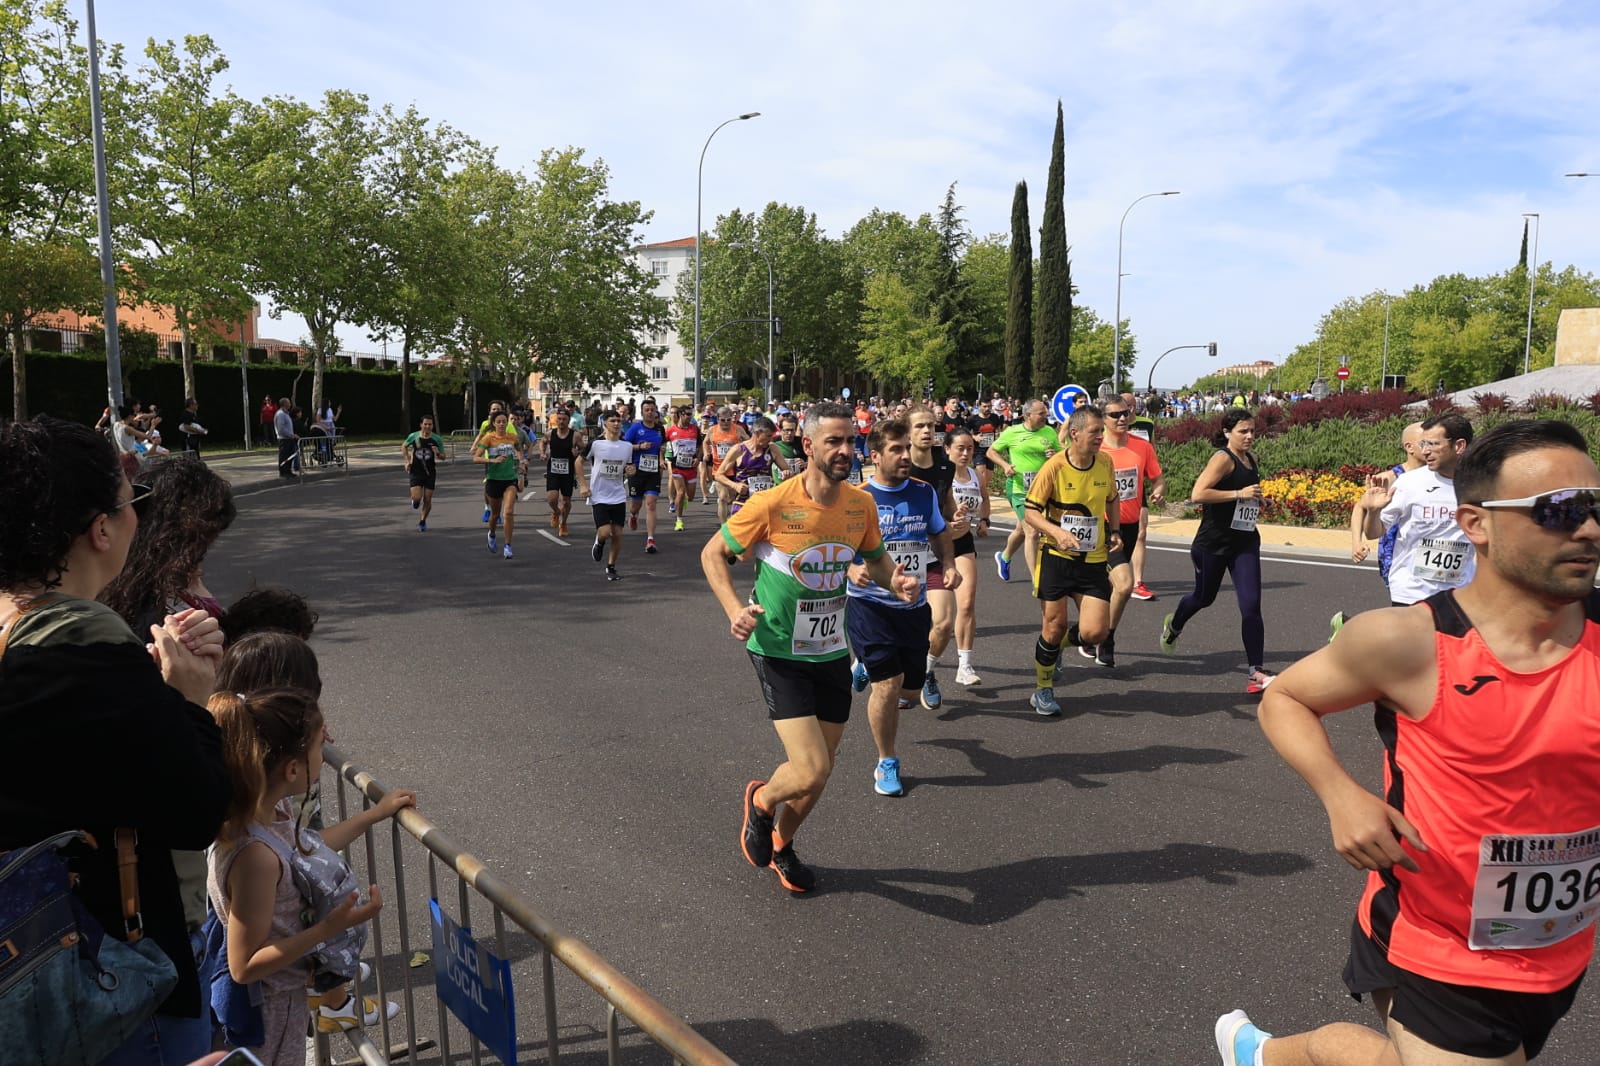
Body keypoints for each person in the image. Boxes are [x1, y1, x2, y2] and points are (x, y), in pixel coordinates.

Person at [1218, 419, 1600, 1066]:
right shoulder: (1406, 643)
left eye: (1594, 508)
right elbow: (1285, 698)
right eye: (1558, 511)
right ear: (1476, 523)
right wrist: (1342, 796)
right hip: (1431, 940)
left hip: (1558, 949)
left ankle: (1268, 1056)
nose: (1588, 529)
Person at [0, 416, 230, 1064]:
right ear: (101, 529)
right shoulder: (88, 650)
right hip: (106, 980)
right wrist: (187, 699)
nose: (139, 519)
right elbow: (196, 810)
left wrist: (147, 696)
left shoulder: (16, 637)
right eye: (134, 503)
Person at [703, 401, 916, 893]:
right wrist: (734, 610)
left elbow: (876, 559)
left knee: (820, 772)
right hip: (778, 649)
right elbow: (713, 553)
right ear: (808, 446)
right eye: (833, 441)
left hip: (831, 650)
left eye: (850, 441)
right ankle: (761, 801)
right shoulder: (773, 503)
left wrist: (896, 581)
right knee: (811, 767)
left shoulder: (860, 505)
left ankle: (782, 844)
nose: (845, 450)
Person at [206, 688, 413, 1063]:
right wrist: (328, 928)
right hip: (267, 1016)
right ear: (292, 770)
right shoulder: (255, 856)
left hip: (285, 999)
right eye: (318, 746)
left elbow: (305, 849)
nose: (324, 754)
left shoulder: (271, 811)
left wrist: (373, 815)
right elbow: (244, 965)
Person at [848, 418, 958, 796]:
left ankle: (865, 665)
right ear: (875, 456)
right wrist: (851, 568)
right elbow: (833, 544)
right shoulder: (857, 498)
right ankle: (886, 761)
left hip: (913, 606)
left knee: (909, 693)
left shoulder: (923, 492)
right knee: (887, 685)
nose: (906, 455)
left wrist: (948, 564)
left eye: (907, 448)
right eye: (896, 449)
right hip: (870, 605)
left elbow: (938, 531)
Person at [1159, 408, 1274, 695]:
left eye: (1252, 431)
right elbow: (1198, 494)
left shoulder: (1251, 458)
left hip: (1245, 542)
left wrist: (1260, 501)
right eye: (1243, 431)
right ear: (1227, 432)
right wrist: (1238, 494)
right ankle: (1174, 625)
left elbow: (1245, 495)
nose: (1249, 436)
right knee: (1204, 597)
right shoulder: (1222, 458)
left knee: (1251, 605)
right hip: (1213, 544)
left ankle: (1256, 671)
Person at [1021, 405, 1119, 716]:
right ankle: (1043, 689)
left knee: (1096, 632)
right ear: (1074, 434)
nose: (1101, 437)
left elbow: (1113, 499)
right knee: (1054, 625)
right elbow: (1030, 512)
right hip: (1057, 557)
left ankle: (1058, 647)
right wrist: (1056, 532)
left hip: (1093, 559)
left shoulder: (1105, 462)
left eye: (1102, 431)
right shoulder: (1054, 467)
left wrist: (1116, 530)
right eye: (1095, 432)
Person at [1357, 414, 1476, 607]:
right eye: (1423, 444)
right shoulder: (1409, 482)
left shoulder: (1482, 484)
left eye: (1433, 444)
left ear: (1459, 446)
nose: (1426, 451)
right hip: (1411, 592)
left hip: (1460, 593)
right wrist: (1373, 512)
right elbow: (1373, 533)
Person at [1083, 397, 1165, 668]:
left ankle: (1088, 632)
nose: (1122, 418)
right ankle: (1106, 638)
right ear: (1103, 419)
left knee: (1107, 587)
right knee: (1124, 584)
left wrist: (1158, 491)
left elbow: (1157, 478)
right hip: (1101, 527)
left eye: (1126, 413)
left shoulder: (1142, 446)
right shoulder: (1096, 449)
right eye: (1115, 414)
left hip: (1128, 526)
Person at [906, 404, 961, 710]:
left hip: (934, 556)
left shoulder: (944, 466)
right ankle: (892, 675)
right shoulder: (898, 467)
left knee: (943, 623)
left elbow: (947, 503)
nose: (927, 431)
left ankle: (925, 673)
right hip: (899, 560)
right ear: (907, 432)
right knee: (903, 629)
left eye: (930, 425)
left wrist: (956, 516)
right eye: (919, 426)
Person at [988, 399, 1058, 583]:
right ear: (1028, 415)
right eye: (1041, 413)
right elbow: (991, 452)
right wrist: (1005, 465)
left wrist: (1055, 455)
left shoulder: (1049, 432)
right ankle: (1037, 579)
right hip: (1019, 489)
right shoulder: (1012, 432)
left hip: (1042, 490)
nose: (1046, 416)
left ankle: (1004, 557)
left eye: (1046, 412)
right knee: (1032, 531)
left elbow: (1063, 454)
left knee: (1021, 529)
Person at [946, 428, 990, 686]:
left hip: (963, 541)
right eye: (959, 448)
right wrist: (949, 516)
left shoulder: (975, 475)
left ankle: (964, 665)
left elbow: (985, 497)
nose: (965, 453)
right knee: (933, 617)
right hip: (935, 544)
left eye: (969, 448)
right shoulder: (939, 476)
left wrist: (984, 520)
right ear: (947, 449)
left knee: (966, 603)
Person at [578, 409, 634, 581]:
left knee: (617, 533)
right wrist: (583, 485)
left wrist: (631, 470)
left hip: (618, 495)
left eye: (618, 421)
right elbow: (578, 462)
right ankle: (599, 541)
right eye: (612, 421)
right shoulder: (596, 444)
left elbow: (629, 467)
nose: (616, 424)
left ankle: (611, 567)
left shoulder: (627, 446)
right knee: (605, 532)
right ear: (605, 424)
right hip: (599, 495)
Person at [473, 410, 523, 560]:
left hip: (510, 479)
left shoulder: (512, 437)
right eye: (498, 422)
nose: (501, 424)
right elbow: (476, 458)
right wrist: (492, 460)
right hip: (494, 480)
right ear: (494, 424)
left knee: (508, 512)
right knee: (495, 515)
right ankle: (492, 534)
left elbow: (519, 450)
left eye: (504, 421)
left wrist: (522, 462)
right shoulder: (489, 438)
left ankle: (508, 545)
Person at [716, 416, 786, 516]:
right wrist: (735, 485)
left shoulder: (772, 448)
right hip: (743, 503)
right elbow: (719, 475)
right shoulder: (738, 450)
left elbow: (787, 470)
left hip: (765, 503)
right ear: (757, 433)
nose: (771, 439)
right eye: (768, 436)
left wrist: (787, 473)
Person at [623, 399, 667, 554]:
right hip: (637, 471)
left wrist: (661, 458)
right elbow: (624, 445)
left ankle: (650, 539)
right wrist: (639, 446)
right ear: (642, 412)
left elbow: (662, 446)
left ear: (656, 412)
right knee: (636, 504)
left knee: (651, 503)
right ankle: (633, 515)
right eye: (647, 410)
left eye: (652, 410)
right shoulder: (636, 428)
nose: (649, 412)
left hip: (653, 472)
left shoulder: (660, 429)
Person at [542, 405, 581, 537]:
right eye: (559, 419)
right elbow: (543, 441)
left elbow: (584, 449)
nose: (561, 421)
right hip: (553, 470)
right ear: (556, 419)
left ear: (568, 420)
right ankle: (556, 512)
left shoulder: (575, 435)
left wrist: (577, 453)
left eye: (564, 419)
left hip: (568, 471)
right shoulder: (550, 434)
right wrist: (542, 453)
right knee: (552, 499)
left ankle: (563, 523)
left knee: (566, 501)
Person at [665, 405, 703, 532]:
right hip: (677, 466)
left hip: (691, 467)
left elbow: (701, 445)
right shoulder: (671, 430)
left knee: (690, 497)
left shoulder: (695, 429)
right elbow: (662, 445)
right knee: (680, 493)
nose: (690, 416)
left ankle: (683, 500)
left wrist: (698, 458)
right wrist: (662, 459)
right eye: (687, 414)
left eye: (691, 414)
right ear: (681, 414)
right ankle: (679, 520)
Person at [403, 416, 444, 532]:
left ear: (432, 426)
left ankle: (422, 521)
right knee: (417, 497)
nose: (428, 426)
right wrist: (407, 461)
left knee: (427, 498)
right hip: (416, 471)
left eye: (430, 424)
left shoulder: (437, 439)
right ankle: (415, 501)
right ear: (421, 425)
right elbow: (404, 446)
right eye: (425, 424)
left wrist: (438, 453)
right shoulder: (414, 436)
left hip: (430, 472)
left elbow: (443, 457)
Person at [708, 406, 748, 524]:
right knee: (722, 498)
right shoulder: (712, 430)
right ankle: (723, 526)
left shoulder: (738, 429)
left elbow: (749, 442)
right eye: (722, 420)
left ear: (732, 418)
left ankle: (732, 520)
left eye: (728, 420)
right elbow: (705, 442)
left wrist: (743, 451)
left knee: (731, 498)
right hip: (720, 469)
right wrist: (706, 453)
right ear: (718, 419)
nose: (726, 422)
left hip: (735, 469)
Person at [273, 397, 298, 478]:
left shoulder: (286, 414)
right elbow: (281, 429)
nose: (290, 404)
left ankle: (288, 471)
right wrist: (291, 435)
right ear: (284, 404)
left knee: (290, 455)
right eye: (289, 402)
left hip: (289, 438)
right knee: (284, 455)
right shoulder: (280, 414)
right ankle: (283, 472)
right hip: (284, 439)